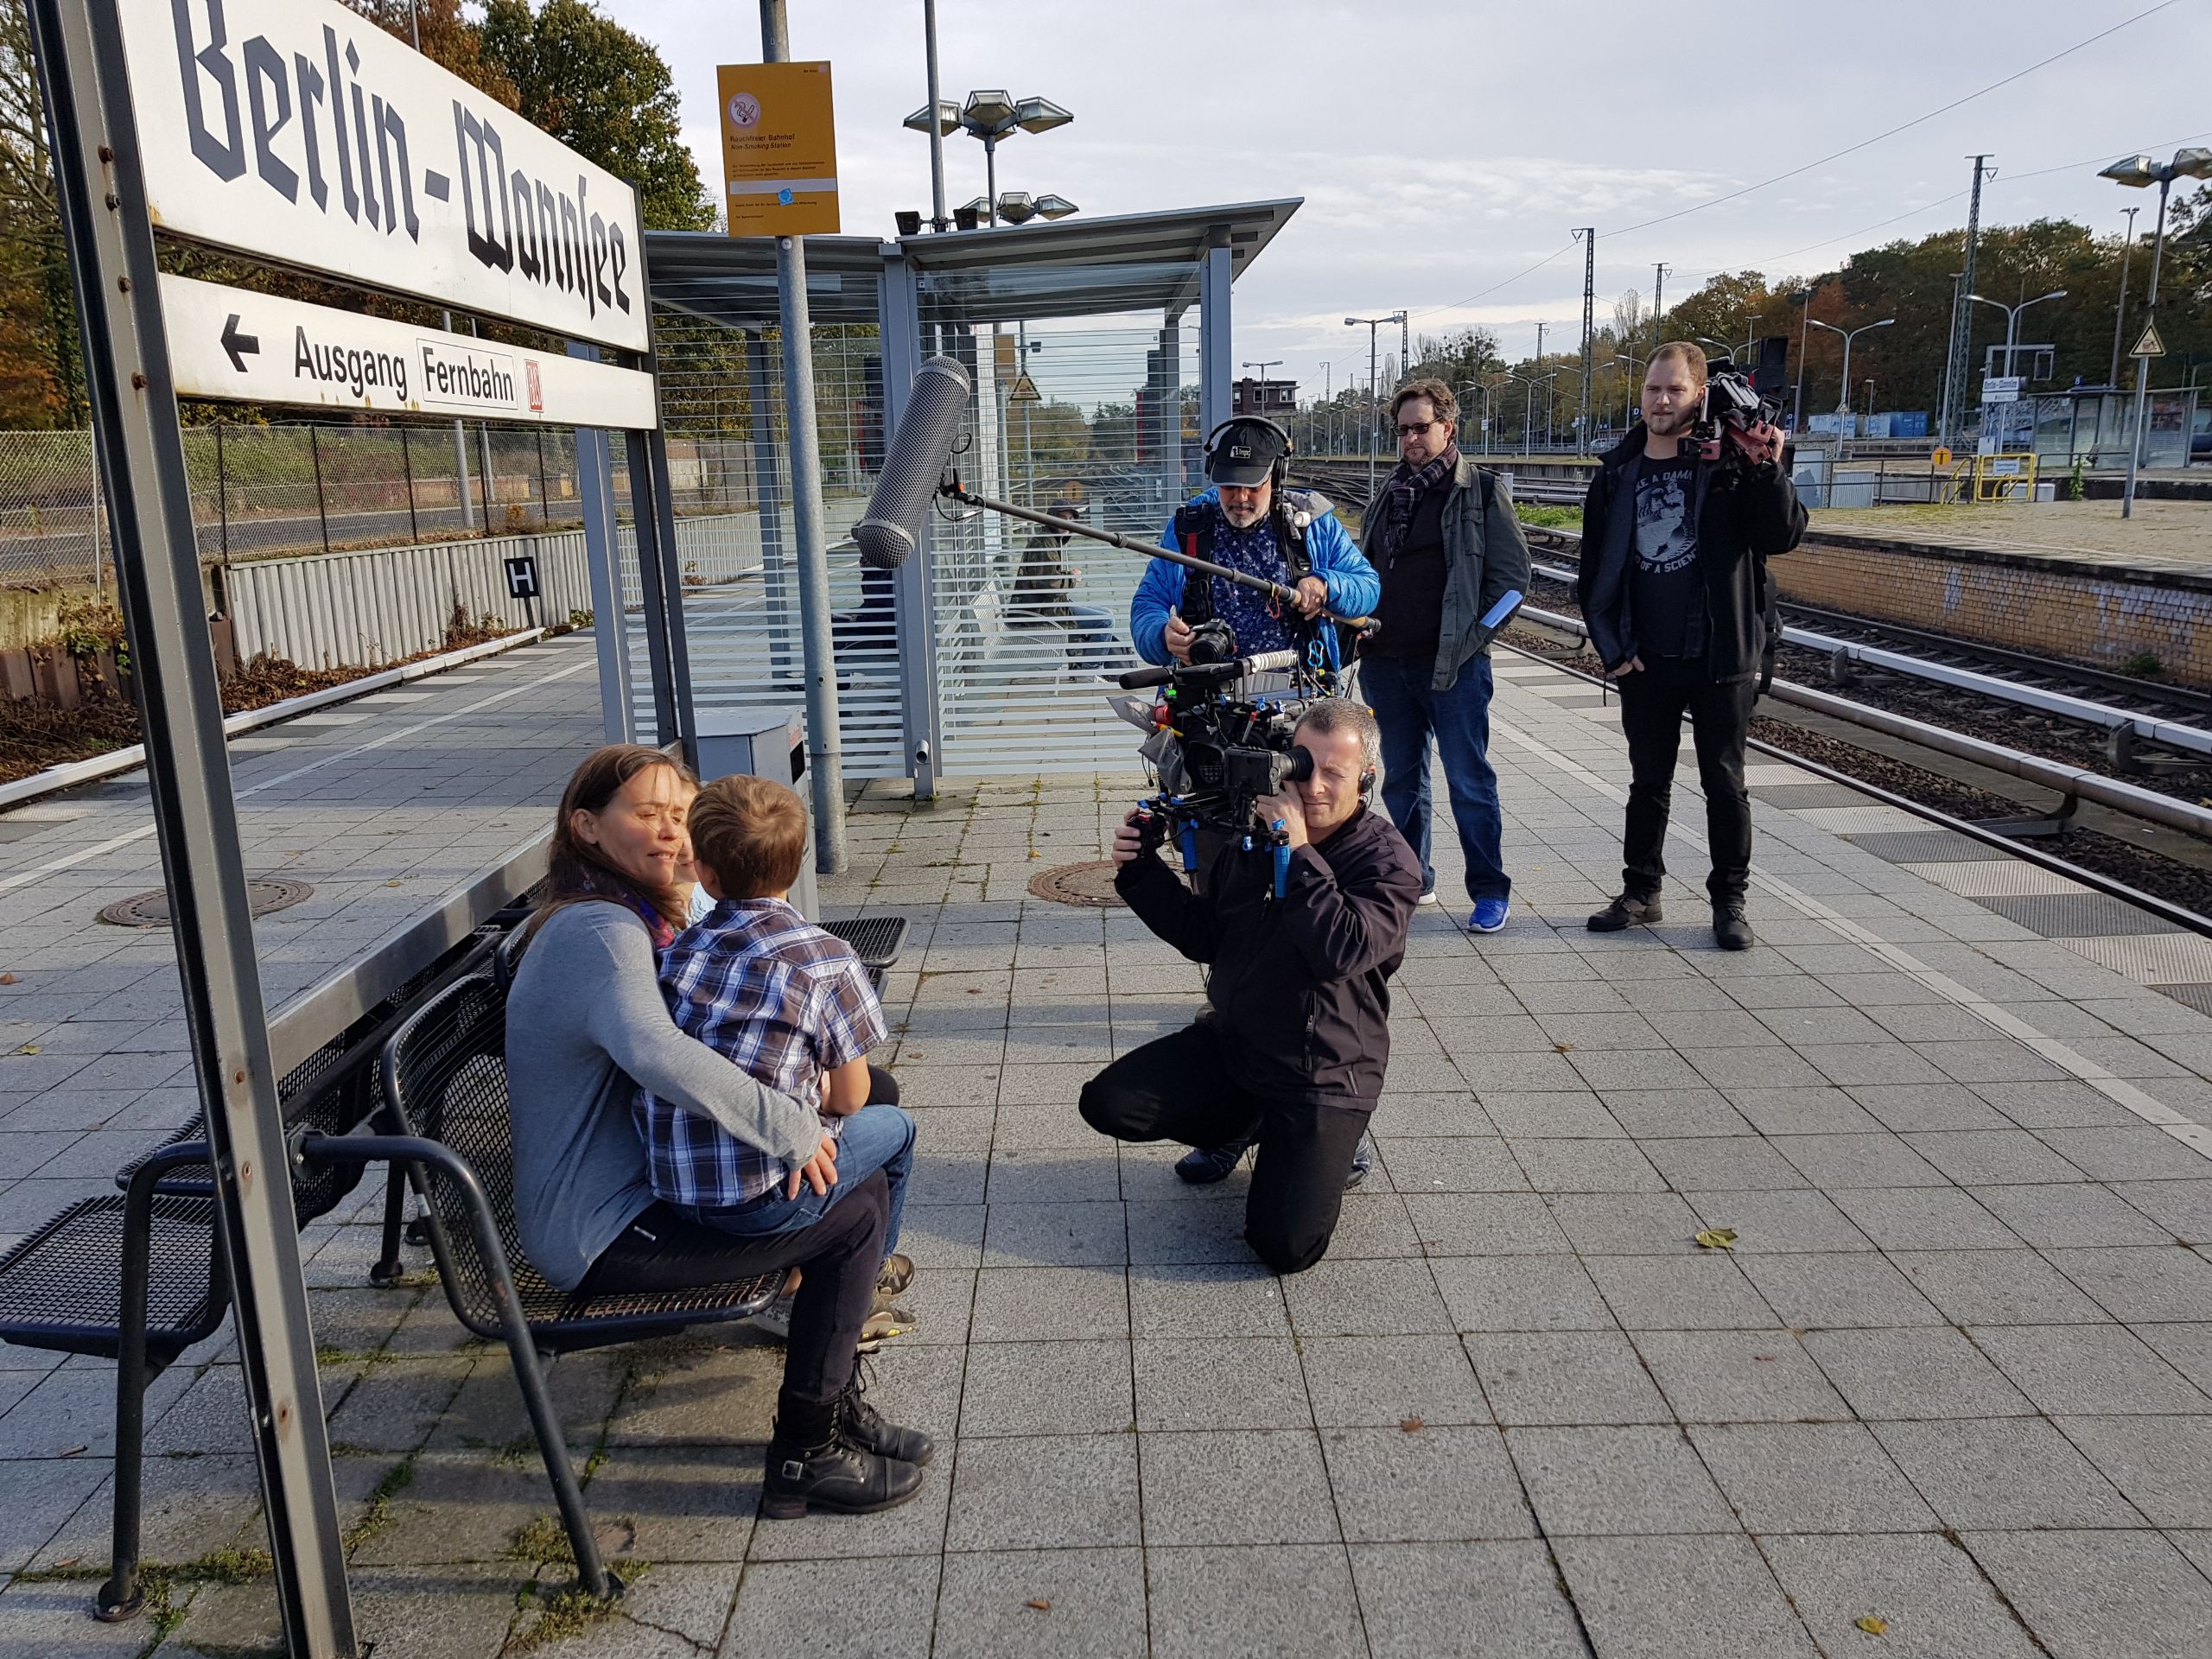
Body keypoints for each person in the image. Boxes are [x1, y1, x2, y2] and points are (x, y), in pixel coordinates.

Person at [504, 745, 930, 1520]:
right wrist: (797, 1132)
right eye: (646, 815)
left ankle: (834, 1384)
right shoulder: (600, 933)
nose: (669, 834)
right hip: (600, 1229)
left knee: (864, 1123)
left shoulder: (631, 915)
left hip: (647, 1183)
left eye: (679, 816)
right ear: (587, 828)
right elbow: (660, 1052)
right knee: (856, 1201)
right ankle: (806, 1449)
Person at [1078, 699, 1423, 1272]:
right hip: (1240, 1045)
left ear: (1366, 780)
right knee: (1110, 1103)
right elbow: (1208, 937)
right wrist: (1139, 871)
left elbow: (1339, 949)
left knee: (1285, 1248)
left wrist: (1298, 850)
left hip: (1324, 1071)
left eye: (1332, 774)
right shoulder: (1257, 838)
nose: (1308, 786)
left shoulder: (1387, 863)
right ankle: (1248, 1124)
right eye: (1299, 764)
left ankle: (1322, 1145)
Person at [637, 773, 918, 1323]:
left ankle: (819, 1269)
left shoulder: (678, 953)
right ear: (797, 862)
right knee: (897, 1128)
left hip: (673, 1187)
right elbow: (849, 1099)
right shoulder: (827, 959)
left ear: (707, 877)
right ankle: (871, 1274)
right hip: (761, 1202)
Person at [1577, 341, 1806, 950]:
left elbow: (1782, 535)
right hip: (1644, 659)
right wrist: (1613, 650)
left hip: (1721, 655)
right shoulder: (1619, 472)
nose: (1660, 401)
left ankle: (1729, 903)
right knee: (1646, 781)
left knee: (1724, 784)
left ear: (1698, 394)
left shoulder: (1729, 464)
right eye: (1652, 390)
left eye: (1674, 390)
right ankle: (1640, 892)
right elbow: (1593, 571)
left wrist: (1766, 468)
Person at [1356, 378, 1532, 931]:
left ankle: (1489, 890)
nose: (1410, 438)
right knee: (1402, 781)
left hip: (1454, 668)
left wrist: (1473, 640)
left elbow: (1512, 582)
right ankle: (1412, 882)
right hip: (1386, 663)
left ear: (1447, 428)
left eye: (1421, 427)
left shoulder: (1479, 490)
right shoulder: (1389, 491)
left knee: (1468, 781)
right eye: (1403, 429)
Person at [1129, 416, 1379, 676]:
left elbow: (1369, 587)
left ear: (1277, 475)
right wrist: (1161, 634)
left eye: (1252, 485)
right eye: (1229, 485)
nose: (1240, 497)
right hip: (1205, 690)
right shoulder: (1187, 528)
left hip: (1299, 692)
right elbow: (1148, 603)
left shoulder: (1313, 525)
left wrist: (1325, 586)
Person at [1012, 501, 1084, 626]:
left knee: (1104, 614)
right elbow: (1050, 584)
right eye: (1063, 519)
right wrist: (1072, 577)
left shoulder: (1052, 541)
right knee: (1104, 621)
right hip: (1042, 614)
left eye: (1070, 519)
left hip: (1047, 608)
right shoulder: (1045, 543)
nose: (1068, 523)